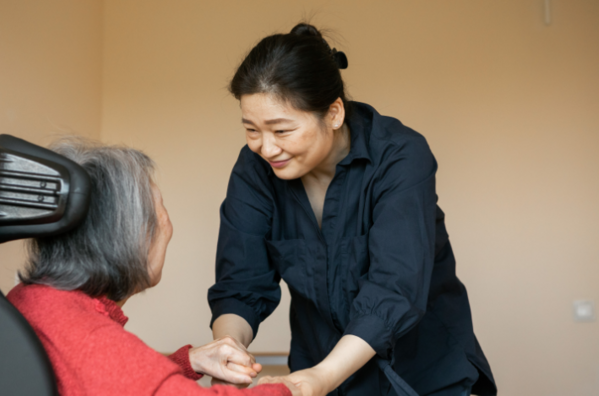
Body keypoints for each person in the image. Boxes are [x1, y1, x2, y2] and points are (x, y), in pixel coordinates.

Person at [208, 23, 497, 396]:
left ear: (333, 113)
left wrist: (322, 377)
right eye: (251, 130)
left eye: (281, 131)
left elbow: (394, 289)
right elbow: (241, 284)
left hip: (424, 377)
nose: (266, 148)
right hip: (321, 374)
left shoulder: (400, 157)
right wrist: (228, 349)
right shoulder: (255, 171)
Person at [7, 137, 300, 396]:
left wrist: (190, 361)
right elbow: (103, 362)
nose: (168, 227)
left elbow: (111, 383)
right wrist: (292, 389)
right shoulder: (91, 338)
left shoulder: (34, 299)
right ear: (128, 235)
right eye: (160, 207)